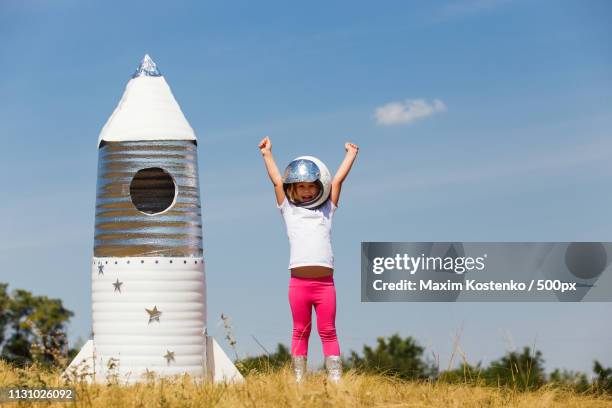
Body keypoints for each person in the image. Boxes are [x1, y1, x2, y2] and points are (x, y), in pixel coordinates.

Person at [258, 135, 359, 383]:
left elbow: (337, 180)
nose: (306, 191)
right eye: (300, 187)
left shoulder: (327, 210)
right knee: (300, 331)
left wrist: (350, 155)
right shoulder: (288, 210)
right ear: (293, 189)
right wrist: (267, 154)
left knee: (328, 331)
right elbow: (276, 182)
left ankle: (336, 381)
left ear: (318, 187)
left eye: (311, 186)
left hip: (325, 285)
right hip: (299, 285)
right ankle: (298, 381)